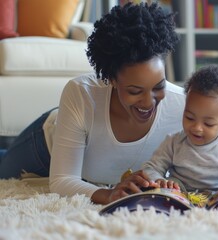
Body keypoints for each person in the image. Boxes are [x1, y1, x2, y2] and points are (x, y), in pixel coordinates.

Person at [0, 2, 185, 205]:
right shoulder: (81, 93)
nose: (149, 102)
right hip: (44, 149)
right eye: (135, 91)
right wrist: (108, 194)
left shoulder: (181, 106)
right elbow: (62, 180)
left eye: (158, 87)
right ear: (112, 80)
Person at [142, 64, 218, 193]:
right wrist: (159, 180)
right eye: (189, 117)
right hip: (180, 192)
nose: (197, 128)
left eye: (208, 124)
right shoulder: (174, 142)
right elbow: (151, 168)